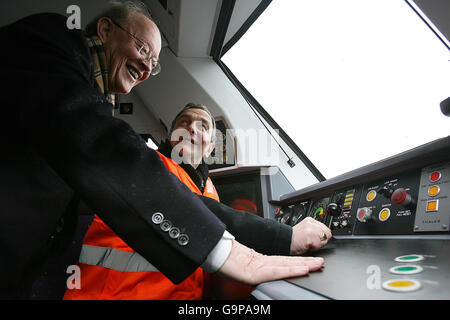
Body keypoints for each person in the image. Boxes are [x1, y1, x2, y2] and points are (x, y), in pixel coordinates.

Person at [0, 1, 328, 299]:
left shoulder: (101, 102)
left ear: (213, 145)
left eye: (154, 64)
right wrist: (235, 250)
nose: (146, 67)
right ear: (104, 30)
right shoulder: (53, 40)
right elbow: (96, 141)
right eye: (143, 48)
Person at [64, 103, 332, 300]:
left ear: (211, 145)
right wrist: (283, 236)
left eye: (202, 125)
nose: (191, 128)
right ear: (171, 136)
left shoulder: (209, 188)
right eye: (183, 122)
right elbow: (196, 209)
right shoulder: (147, 164)